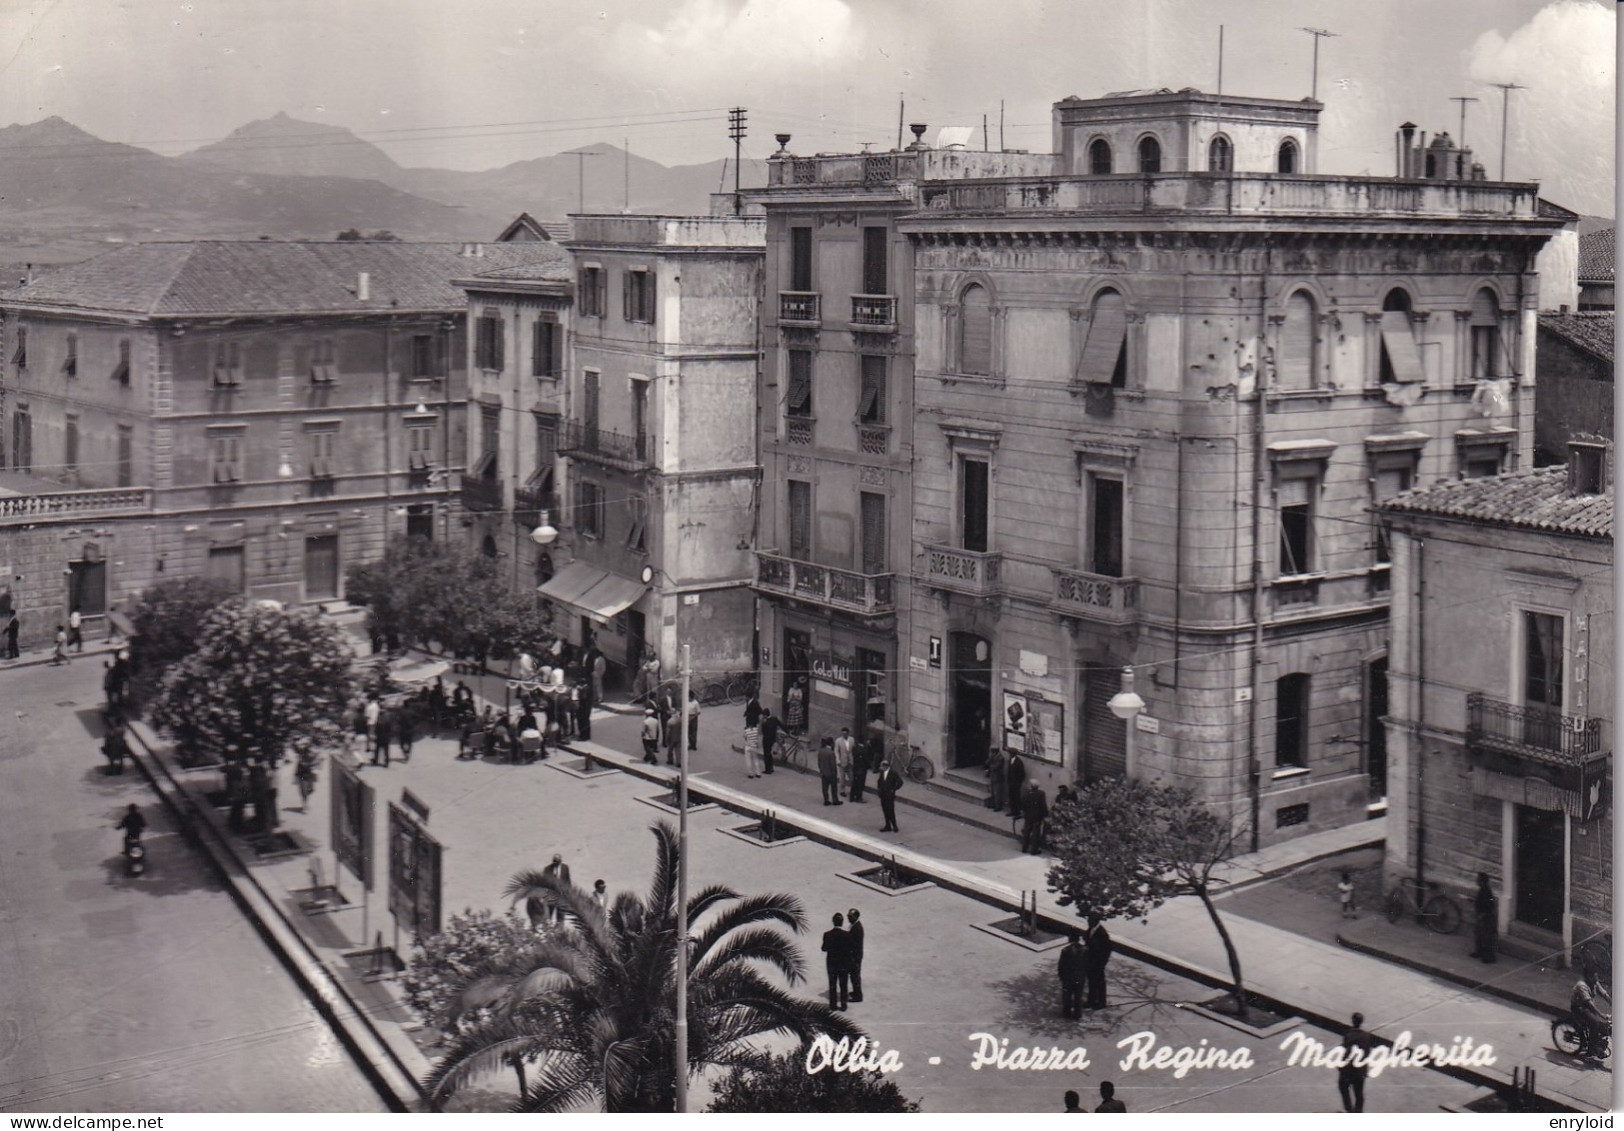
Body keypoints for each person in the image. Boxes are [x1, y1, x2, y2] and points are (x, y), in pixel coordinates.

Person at [1338, 1012, 1374, 1112]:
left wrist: (1340, 1065)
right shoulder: (1367, 1036)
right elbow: (1367, 1053)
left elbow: (1347, 1052)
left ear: (1353, 1021)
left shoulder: (1349, 1035)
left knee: (1343, 1086)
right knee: (1359, 1093)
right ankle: (1358, 1112)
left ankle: (1349, 1108)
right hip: (1360, 1069)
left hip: (1349, 1069)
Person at [1572, 970, 1611, 1059]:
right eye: (1595, 977)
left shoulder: (1594, 982)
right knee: (1595, 1023)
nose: (1597, 979)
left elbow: (1604, 994)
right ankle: (1591, 1050)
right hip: (1579, 1008)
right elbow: (1589, 1003)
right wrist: (1601, 1014)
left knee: (1604, 1025)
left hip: (1588, 1007)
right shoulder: (1581, 986)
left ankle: (1597, 1042)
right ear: (1589, 977)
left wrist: (1613, 1003)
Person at [821, 912, 853, 1010]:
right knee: (843, 985)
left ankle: (833, 1005)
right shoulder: (847, 935)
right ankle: (844, 1005)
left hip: (832, 964)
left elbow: (824, 948)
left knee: (832, 985)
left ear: (833, 922)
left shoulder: (827, 934)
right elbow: (850, 950)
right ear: (842, 922)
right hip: (843, 964)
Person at [1085, 913, 1112, 1010]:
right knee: (1092, 982)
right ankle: (1091, 1001)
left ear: (1096, 921)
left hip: (1098, 963)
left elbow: (1107, 951)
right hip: (1090, 961)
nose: (1088, 922)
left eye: (1090, 921)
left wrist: (1102, 964)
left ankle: (1101, 1002)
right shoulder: (1091, 930)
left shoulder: (1102, 934)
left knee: (1099, 983)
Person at [1469, 872, 1498, 963]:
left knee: (1486, 937)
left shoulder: (1486, 891)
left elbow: (1489, 905)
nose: (1476, 881)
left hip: (1486, 918)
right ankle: (1479, 952)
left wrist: (1483, 915)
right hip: (1481, 916)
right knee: (1479, 934)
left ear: (1482, 881)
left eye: (1478, 879)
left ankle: (1488, 957)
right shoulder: (1483, 890)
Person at [1058, 930, 1087, 1019]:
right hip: (1080, 977)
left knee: (1067, 995)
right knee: (1078, 995)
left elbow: (1061, 965)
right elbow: (1087, 964)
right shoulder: (1085, 950)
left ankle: (1067, 1012)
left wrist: (1061, 976)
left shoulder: (1066, 950)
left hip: (1068, 978)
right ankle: (1077, 1013)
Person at [1020, 782, 1049, 854]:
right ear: (1037, 786)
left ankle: (1024, 847)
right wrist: (1045, 814)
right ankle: (1034, 850)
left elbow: (1022, 803)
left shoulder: (1026, 793)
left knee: (1026, 831)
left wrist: (1024, 812)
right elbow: (1043, 805)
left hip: (1028, 815)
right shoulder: (1041, 793)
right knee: (1036, 833)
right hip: (1037, 816)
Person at [876, 757, 902, 833]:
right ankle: (887, 825)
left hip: (889, 795)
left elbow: (900, 782)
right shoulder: (882, 772)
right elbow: (879, 781)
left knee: (890, 810)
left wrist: (893, 789)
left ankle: (894, 825)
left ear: (886, 766)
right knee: (885, 810)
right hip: (883, 794)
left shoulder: (893, 773)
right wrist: (879, 789)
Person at [846, 908, 865, 1002]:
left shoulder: (857, 928)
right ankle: (855, 992)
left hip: (855, 956)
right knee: (854, 975)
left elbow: (854, 944)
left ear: (856, 917)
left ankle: (858, 996)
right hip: (854, 955)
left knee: (855, 975)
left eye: (850, 916)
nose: (848, 918)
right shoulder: (854, 925)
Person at [849, 730, 872, 802]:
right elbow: (868, 759)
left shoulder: (855, 748)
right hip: (862, 769)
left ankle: (852, 797)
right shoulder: (864, 750)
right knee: (860, 784)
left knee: (854, 783)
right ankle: (859, 797)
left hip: (855, 768)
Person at [816, 738, 840, 804]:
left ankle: (826, 800)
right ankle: (835, 800)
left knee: (825, 787)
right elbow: (833, 765)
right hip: (831, 774)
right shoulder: (831, 753)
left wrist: (821, 769)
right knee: (834, 788)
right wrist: (835, 773)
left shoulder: (821, 751)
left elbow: (819, 762)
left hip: (824, 772)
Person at [834, 728, 856, 798]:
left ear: (848, 733)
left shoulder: (852, 739)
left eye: (845, 733)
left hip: (850, 761)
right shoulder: (838, 741)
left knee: (851, 776)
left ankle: (853, 790)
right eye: (843, 733)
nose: (844, 735)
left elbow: (854, 749)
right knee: (842, 777)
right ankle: (842, 791)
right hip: (842, 761)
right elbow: (836, 751)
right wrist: (838, 760)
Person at [985, 746, 1007, 811]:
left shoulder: (1000, 758)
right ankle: (993, 804)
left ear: (995, 751)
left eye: (992, 751)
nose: (991, 752)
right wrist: (991, 758)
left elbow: (995, 767)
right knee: (992, 792)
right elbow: (987, 763)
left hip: (998, 777)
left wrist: (990, 766)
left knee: (997, 792)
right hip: (993, 776)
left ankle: (998, 806)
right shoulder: (993, 756)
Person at [759, 708, 780, 775]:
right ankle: (771, 767)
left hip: (766, 740)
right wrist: (787, 732)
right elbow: (781, 725)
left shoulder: (765, 722)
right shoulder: (774, 719)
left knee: (766, 754)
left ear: (765, 715)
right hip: (773, 739)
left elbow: (763, 731)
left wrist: (762, 723)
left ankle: (768, 769)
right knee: (769, 753)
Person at [1005, 751, 1026, 817]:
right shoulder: (1010, 760)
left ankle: (1017, 812)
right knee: (1011, 797)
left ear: (1014, 754)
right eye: (1009, 753)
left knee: (1016, 798)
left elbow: (1022, 774)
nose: (1010, 754)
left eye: (1011, 753)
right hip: (1011, 783)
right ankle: (1012, 811)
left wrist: (1018, 782)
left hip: (1016, 784)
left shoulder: (1019, 762)